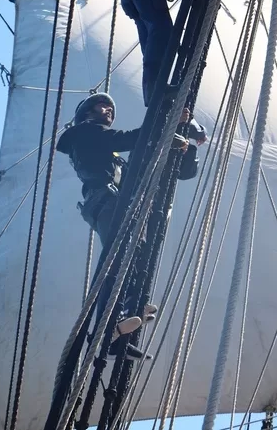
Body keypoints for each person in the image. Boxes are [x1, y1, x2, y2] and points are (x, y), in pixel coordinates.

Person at [56, 92, 207, 360]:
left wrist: (183, 143)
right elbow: (125, 138)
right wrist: (166, 126)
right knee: (118, 259)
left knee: (134, 256)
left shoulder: (110, 155)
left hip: (115, 203)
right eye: (102, 106)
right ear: (86, 114)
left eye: (111, 108)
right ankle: (104, 332)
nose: (108, 110)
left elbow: (151, 165)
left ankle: (121, 327)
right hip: (106, 202)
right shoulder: (86, 133)